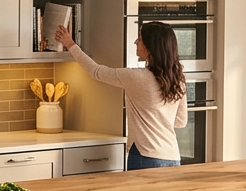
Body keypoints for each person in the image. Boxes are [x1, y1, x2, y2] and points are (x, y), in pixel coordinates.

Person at [53, 22, 187, 169]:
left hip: (145, 154)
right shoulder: (178, 78)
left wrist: (71, 44)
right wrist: (157, 118)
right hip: (173, 157)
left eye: (140, 39)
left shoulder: (137, 77)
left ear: (150, 48)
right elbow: (181, 121)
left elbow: (95, 71)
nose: (136, 42)